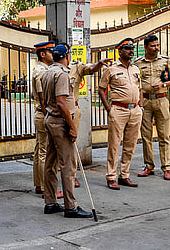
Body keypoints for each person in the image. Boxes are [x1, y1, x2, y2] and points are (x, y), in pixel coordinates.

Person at [41, 43, 92, 218]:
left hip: (50, 119)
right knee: (68, 165)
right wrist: (72, 126)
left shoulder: (47, 72)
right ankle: (70, 206)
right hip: (60, 121)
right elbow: (62, 103)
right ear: (67, 56)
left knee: (50, 163)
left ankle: (50, 202)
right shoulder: (62, 74)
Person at [98, 38, 143, 190]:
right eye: (127, 48)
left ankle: (124, 175)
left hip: (135, 110)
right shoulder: (110, 69)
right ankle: (111, 176)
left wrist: (140, 106)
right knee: (114, 144)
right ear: (120, 51)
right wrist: (108, 108)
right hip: (118, 110)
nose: (131, 51)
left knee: (131, 144)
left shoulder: (136, 69)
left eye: (132, 48)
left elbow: (140, 89)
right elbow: (101, 89)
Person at [69, 50, 112, 187]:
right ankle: (46, 183)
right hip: (55, 111)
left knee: (72, 145)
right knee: (51, 148)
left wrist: (99, 63)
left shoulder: (76, 66)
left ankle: (72, 176)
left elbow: (91, 68)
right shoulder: (50, 70)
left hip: (72, 110)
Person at [134, 35, 170, 180]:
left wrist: (164, 84)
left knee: (164, 136)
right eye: (153, 46)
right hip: (146, 102)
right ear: (146, 47)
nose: (156, 48)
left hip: (162, 100)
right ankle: (149, 166)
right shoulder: (138, 63)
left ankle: (167, 167)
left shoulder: (165, 61)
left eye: (157, 45)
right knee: (146, 136)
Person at [31, 41, 63, 198]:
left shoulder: (41, 69)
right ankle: (46, 187)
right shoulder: (42, 72)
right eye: (51, 52)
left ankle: (39, 184)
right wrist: (49, 116)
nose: (53, 54)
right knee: (45, 152)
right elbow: (43, 99)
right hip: (44, 114)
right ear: (43, 54)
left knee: (39, 150)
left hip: (41, 113)